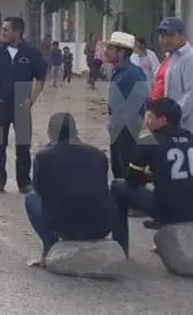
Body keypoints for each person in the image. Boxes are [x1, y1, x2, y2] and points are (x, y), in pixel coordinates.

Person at [25, 112, 123, 265]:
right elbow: (102, 188)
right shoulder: (97, 154)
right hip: (101, 226)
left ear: (51, 132)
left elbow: (39, 190)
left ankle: (50, 246)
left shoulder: (44, 157)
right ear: (75, 130)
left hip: (65, 226)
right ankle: (121, 245)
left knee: (31, 198)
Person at [112, 97, 193, 232]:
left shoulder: (149, 141)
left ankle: (121, 243)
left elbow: (132, 180)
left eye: (150, 117)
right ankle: (163, 223)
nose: (147, 122)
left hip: (169, 209)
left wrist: (150, 176)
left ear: (163, 120)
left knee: (118, 186)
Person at [0, 16, 47, 194]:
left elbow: (41, 78)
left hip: (22, 103)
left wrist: (32, 100)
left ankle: (24, 182)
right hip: (0, 103)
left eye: (6, 29)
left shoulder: (31, 53)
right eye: (3, 29)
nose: (2, 32)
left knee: (23, 145)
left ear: (17, 32)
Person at [150, 17, 193, 138]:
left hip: (185, 128)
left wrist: (171, 118)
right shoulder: (172, 57)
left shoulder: (191, 58)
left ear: (183, 36)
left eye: (170, 35)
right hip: (170, 126)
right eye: (162, 36)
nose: (165, 40)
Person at [103, 31, 148, 178]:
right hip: (118, 129)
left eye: (110, 48)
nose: (106, 51)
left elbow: (139, 102)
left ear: (121, 52)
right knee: (117, 167)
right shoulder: (118, 72)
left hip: (127, 130)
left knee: (125, 169)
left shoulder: (133, 74)